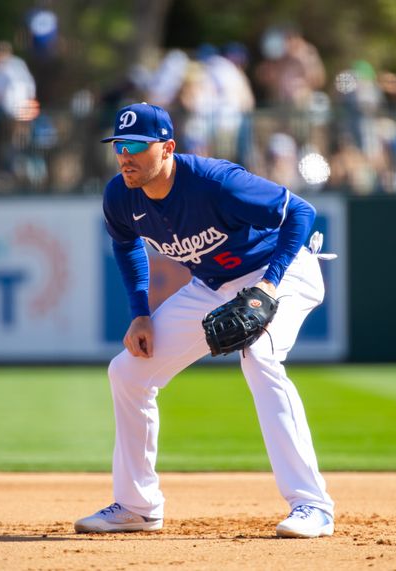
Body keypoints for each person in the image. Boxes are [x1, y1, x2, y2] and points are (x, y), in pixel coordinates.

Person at [74, 103, 335, 538]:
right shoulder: (120, 194)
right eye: (119, 145)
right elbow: (125, 245)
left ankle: (312, 506)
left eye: (137, 145)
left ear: (168, 147)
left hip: (283, 271)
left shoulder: (215, 182)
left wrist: (270, 286)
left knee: (259, 358)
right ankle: (138, 507)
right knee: (128, 371)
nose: (125, 155)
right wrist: (140, 313)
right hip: (213, 286)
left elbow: (301, 213)